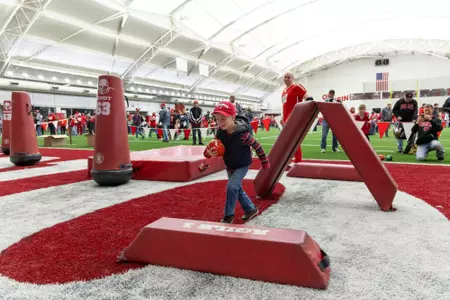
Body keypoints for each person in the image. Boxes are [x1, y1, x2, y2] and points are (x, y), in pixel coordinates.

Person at [203, 101, 270, 224]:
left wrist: (264, 162)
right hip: (230, 165)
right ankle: (250, 209)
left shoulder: (243, 134)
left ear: (233, 117)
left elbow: (257, 146)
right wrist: (208, 154)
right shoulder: (220, 133)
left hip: (242, 165)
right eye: (217, 119)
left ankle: (228, 216)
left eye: (223, 118)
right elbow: (209, 149)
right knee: (237, 189)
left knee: (232, 187)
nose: (220, 122)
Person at [281, 72, 310, 162]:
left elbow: (307, 97)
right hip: (286, 118)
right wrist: (282, 117)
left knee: (293, 139)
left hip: (294, 116)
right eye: (285, 77)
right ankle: (291, 160)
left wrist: (304, 111)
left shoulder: (297, 86)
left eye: (288, 77)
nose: (286, 79)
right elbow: (284, 105)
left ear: (293, 78)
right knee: (289, 140)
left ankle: (298, 161)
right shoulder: (284, 90)